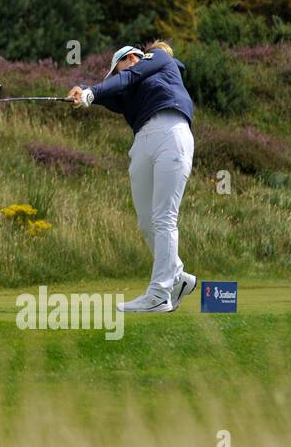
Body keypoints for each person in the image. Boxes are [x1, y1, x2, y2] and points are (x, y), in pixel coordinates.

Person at [68, 41, 197, 313]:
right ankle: (178, 278)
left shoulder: (159, 59)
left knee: (164, 217)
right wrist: (82, 90)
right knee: (146, 221)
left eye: (117, 70)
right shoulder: (127, 90)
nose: (118, 76)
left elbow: (128, 77)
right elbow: (107, 93)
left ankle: (159, 294)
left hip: (171, 132)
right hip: (142, 141)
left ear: (128, 58)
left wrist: (92, 91)